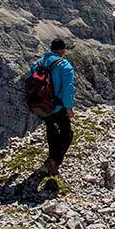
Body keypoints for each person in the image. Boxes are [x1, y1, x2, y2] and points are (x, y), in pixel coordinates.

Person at [27, 38, 76, 175]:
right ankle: (54, 161)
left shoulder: (38, 63)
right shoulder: (64, 65)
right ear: (62, 50)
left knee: (51, 129)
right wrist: (69, 107)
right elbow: (68, 88)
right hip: (57, 106)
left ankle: (51, 159)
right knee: (67, 133)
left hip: (40, 105)